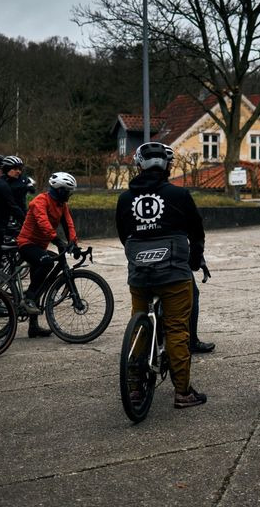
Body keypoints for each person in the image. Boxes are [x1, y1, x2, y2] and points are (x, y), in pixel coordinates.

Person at [115, 142, 208, 409]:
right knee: (177, 329)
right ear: (167, 166)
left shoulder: (125, 199)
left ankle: (134, 388)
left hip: (140, 273)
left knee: (138, 324)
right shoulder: (179, 195)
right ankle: (183, 393)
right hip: (174, 274)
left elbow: (123, 235)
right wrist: (194, 260)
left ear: (139, 166)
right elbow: (197, 232)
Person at [17, 171, 81, 338]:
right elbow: (43, 222)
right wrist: (57, 240)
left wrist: (73, 243)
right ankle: (28, 298)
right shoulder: (40, 201)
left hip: (40, 246)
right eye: (68, 191)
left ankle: (33, 327)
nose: (70, 195)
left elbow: (68, 224)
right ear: (59, 190)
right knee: (47, 263)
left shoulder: (61, 205)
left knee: (39, 283)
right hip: (26, 243)